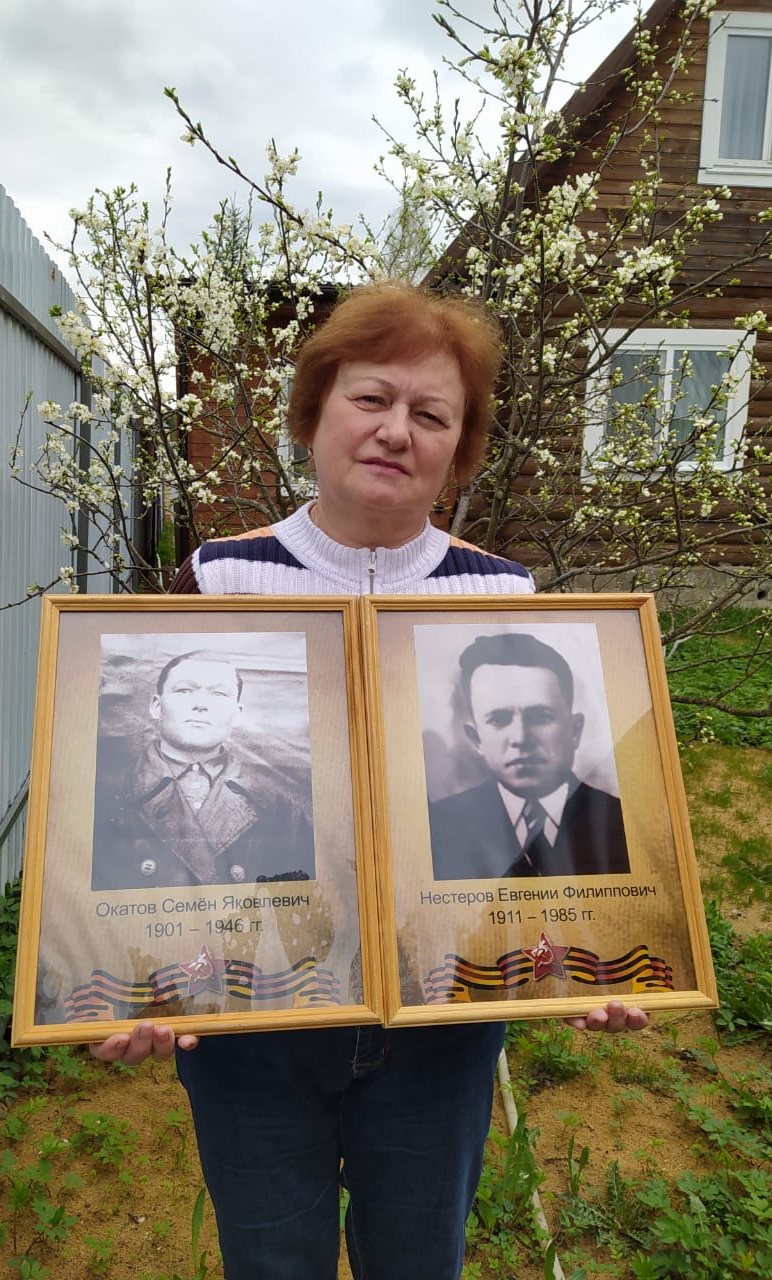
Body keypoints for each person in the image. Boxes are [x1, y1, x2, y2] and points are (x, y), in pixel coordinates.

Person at [91, 282, 649, 1280]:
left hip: (440, 1022)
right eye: (371, 398)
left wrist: (585, 949)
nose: (397, 430)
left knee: (417, 1260)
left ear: (459, 447)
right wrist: (140, 972)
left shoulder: (503, 592)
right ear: (314, 414)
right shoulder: (219, 576)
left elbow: (526, 821)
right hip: (255, 1018)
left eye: (431, 414)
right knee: (273, 1260)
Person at [91, 650, 314, 888]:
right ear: (156, 706)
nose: (200, 705)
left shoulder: (284, 806)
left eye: (218, 694)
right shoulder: (101, 795)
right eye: (184, 690)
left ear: (237, 714)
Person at [429, 632, 630, 879]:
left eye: (540, 716)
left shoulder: (622, 820)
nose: (521, 738)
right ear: (476, 739)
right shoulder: (441, 826)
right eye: (499, 719)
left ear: (574, 731)